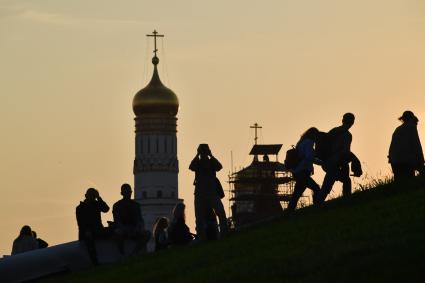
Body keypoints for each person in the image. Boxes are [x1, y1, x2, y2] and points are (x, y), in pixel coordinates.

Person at [318, 113, 360, 203]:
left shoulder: (334, 130)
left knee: (329, 182)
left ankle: (318, 202)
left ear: (342, 120)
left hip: (327, 162)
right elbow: (346, 152)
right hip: (336, 162)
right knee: (343, 181)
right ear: (353, 122)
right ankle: (346, 201)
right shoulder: (347, 135)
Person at [189, 144, 227, 241]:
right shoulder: (198, 163)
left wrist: (211, 156)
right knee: (200, 217)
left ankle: (223, 233)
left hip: (210, 193)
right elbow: (191, 166)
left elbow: (219, 166)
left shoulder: (211, 163)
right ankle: (202, 237)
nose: (204, 154)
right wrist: (198, 155)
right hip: (202, 193)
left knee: (220, 213)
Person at [287, 127, 321, 212]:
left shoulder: (301, 142)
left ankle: (289, 211)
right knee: (316, 188)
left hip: (297, 171)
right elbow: (309, 157)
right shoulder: (309, 142)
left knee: (297, 193)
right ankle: (317, 207)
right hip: (303, 171)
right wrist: (321, 163)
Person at [112, 183, 150, 255]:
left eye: (129, 192)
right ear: (122, 193)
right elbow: (117, 221)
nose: (128, 194)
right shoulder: (117, 205)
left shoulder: (136, 205)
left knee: (147, 234)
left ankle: (134, 253)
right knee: (118, 233)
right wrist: (126, 229)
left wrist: (138, 228)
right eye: (126, 192)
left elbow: (139, 219)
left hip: (134, 229)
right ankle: (122, 253)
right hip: (124, 230)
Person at [76, 188, 110, 265]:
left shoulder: (96, 204)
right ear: (86, 196)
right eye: (91, 195)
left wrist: (99, 198)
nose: (92, 197)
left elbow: (106, 209)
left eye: (93, 196)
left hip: (98, 230)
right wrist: (87, 231)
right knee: (89, 239)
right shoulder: (80, 208)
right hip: (86, 233)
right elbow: (81, 223)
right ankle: (94, 262)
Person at [389, 111, 425, 181]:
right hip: (406, 162)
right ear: (412, 119)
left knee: (399, 184)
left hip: (395, 162)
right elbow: (417, 145)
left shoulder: (397, 129)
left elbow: (392, 148)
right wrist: (421, 162)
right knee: (409, 182)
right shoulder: (411, 127)